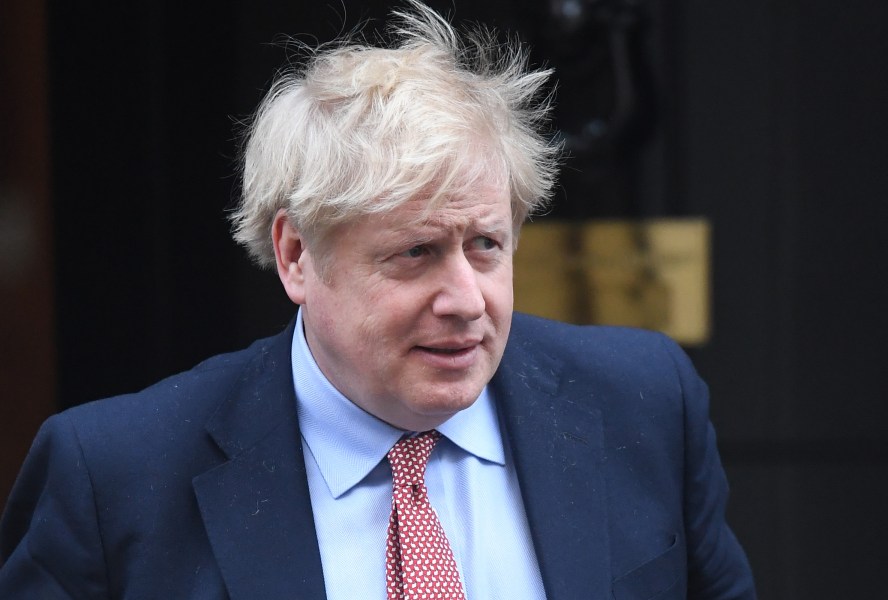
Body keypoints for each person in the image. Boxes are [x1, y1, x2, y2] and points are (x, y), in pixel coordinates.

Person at [0, 2, 755, 598]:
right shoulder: (115, 477)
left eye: (486, 245)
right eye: (415, 253)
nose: (465, 298)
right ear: (297, 255)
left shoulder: (645, 404)